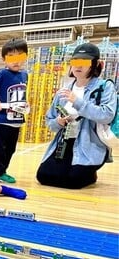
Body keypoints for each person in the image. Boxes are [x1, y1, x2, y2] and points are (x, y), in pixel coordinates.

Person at [36, 43, 116, 189]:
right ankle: (84, 171)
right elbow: (49, 120)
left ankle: (90, 171)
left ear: (95, 64)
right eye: (75, 61)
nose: (78, 66)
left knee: (74, 180)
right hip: (65, 142)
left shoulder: (105, 86)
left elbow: (107, 115)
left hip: (88, 143)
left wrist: (77, 102)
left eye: (84, 62)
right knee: (44, 176)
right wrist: (58, 122)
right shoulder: (63, 91)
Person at [0, 38, 29, 183]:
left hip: (16, 118)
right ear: (4, 59)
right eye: (11, 57)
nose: (16, 61)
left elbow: (21, 93)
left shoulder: (24, 75)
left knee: (11, 148)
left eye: (19, 56)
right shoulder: (2, 73)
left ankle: (3, 171)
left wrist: (25, 103)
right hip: (3, 118)